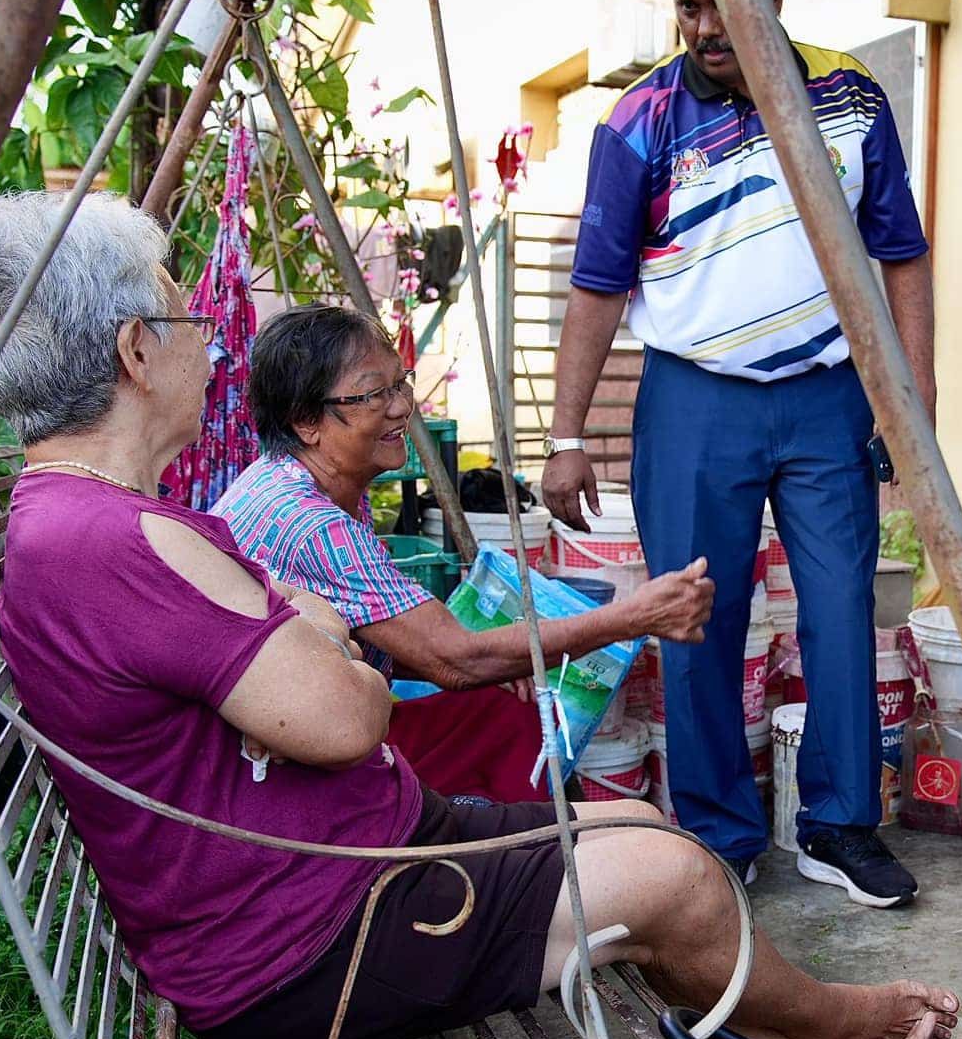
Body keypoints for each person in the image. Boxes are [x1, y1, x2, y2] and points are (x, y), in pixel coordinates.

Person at [0, 192, 962, 1039]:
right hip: (311, 935)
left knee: (649, 829)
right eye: (184, 312)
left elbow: (317, 643)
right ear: (133, 350)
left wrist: (317, 630)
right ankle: (849, 1019)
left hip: (348, 862)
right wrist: (319, 634)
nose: (208, 338)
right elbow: (351, 714)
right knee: (679, 880)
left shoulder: (91, 520)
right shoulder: (115, 541)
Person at [542, 0, 936, 908]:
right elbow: (595, 285)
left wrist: (911, 403)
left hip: (825, 395)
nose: (704, 28)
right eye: (685, 8)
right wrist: (563, 434)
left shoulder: (849, 97)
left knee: (843, 606)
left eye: (723, 3)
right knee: (695, 617)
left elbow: (900, 256)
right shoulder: (636, 122)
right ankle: (721, 832)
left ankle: (840, 826)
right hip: (692, 399)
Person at [210, 302, 713, 805]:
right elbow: (454, 660)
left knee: (499, 712)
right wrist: (636, 616)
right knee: (501, 723)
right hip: (277, 772)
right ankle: (529, 865)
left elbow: (419, 648)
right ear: (306, 421)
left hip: (291, 734)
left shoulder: (279, 479)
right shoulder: (314, 524)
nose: (401, 406)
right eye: (373, 394)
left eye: (400, 382)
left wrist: (503, 661)